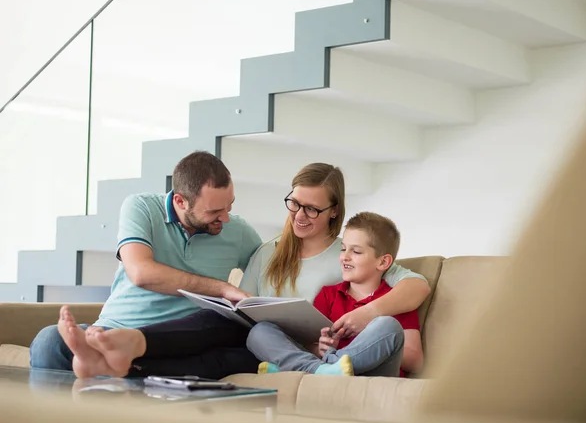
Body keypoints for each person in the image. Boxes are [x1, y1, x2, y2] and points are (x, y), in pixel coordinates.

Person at [56, 162, 431, 379]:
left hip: (307, 352)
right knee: (228, 325)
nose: (300, 216)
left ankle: (127, 359)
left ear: (334, 210)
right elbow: (244, 309)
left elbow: (415, 284)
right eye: (294, 204)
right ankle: (122, 358)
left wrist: (364, 312)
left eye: (312, 209)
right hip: (263, 342)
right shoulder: (267, 250)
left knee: (222, 357)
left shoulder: (349, 254)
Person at [30, 151, 263, 378]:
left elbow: (273, 270)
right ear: (180, 201)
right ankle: (104, 366)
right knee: (48, 341)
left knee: (232, 344)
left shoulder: (238, 232)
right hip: (114, 329)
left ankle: (109, 364)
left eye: (229, 205)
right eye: (214, 211)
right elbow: (141, 273)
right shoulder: (142, 208)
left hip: (178, 340)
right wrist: (221, 288)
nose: (225, 218)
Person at [246, 211, 423, 377]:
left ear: (383, 262)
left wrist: (358, 349)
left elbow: (415, 361)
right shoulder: (328, 295)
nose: (345, 257)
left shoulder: (395, 300)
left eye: (356, 251)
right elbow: (312, 346)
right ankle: (324, 371)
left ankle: (310, 368)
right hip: (325, 369)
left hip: (373, 374)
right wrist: (322, 348)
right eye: (343, 248)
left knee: (388, 326)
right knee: (260, 331)